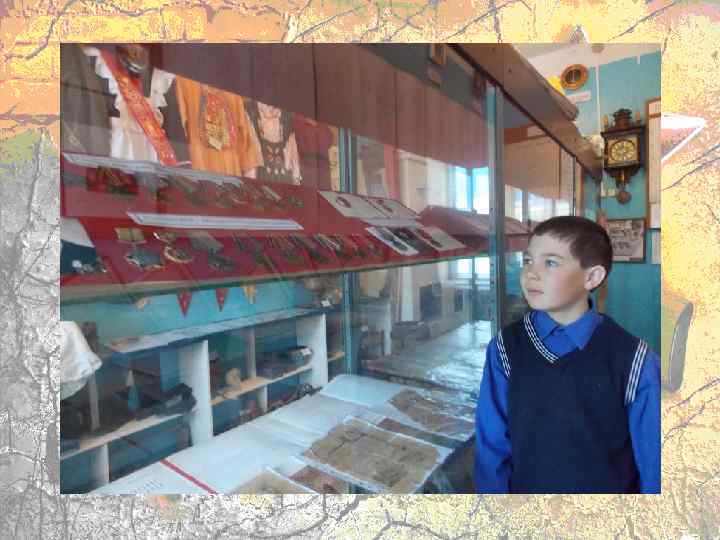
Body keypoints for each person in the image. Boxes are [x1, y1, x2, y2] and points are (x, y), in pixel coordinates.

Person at [475, 216, 660, 494]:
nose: (530, 273)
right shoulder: (505, 348)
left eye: (550, 262)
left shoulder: (636, 361)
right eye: (528, 260)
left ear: (592, 277)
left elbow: (654, 467)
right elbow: (491, 450)